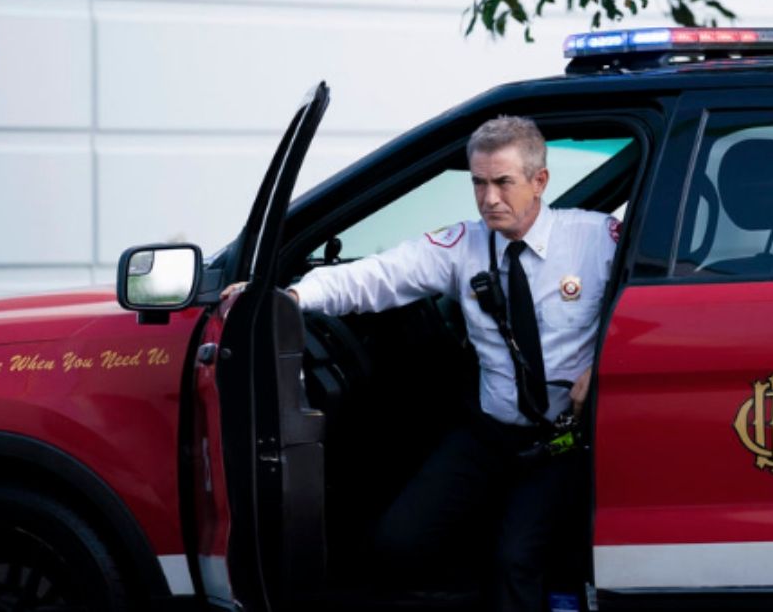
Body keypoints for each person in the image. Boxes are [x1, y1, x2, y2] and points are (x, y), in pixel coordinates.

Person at [227, 116, 619, 611]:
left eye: (503, 183)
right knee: (399, 542)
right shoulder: (463, 247)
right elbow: (376, 277)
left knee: (516, 561)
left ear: (539, 181)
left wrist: (602, 366)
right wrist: (284, 297)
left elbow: (655, 300)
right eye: (478, 182)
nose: (489, 199)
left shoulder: (596, 239)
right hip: (490, 435)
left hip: (560, 443)